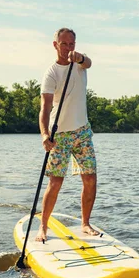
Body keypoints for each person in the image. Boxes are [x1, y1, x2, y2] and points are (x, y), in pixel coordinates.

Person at [36, 27, 99, 243]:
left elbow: (89, 62)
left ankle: (85, 224)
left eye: (72, 44)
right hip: (59, 134)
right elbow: (44, 108)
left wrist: (80, 57)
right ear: (55, 45)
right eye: (64, 44)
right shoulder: (51, 73)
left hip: (82, 132)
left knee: (90, 179)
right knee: (55, 183)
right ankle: (42, 228)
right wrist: (45, 135)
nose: (69, 48)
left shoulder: (80, 65)